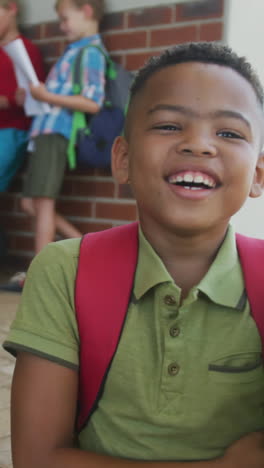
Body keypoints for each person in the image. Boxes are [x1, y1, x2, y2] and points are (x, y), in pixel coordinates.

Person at [3, 42, 264, 467]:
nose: (199, 145)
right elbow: (37, 458)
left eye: (229, 133)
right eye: (168, 126)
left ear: (257, 175)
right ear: (122, 159)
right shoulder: (65, 271)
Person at [20, 0, 106, 256]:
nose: (61, 26)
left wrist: (46, 96)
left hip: (57, 132)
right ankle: (91, 248)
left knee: (43, 205)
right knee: (29, 203)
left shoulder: (90, 52)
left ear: (87, 11)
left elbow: (92, 102)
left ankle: (40, 273)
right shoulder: (75, 50)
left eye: (65, 19)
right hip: (44, 131)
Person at [0, 0, 45, 192]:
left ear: (12, 9)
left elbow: (36, 97)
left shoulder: (26, 50)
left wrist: (11, 101)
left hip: (12, 130)